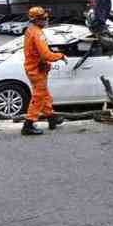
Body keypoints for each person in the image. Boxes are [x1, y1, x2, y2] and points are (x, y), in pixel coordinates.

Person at [21, 7, 68, 136]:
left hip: (36, 68)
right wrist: (60, 55)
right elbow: (46, 54)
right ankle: (28, 124)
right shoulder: (37, 33)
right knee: (38, 96)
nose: (46, 20)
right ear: (37, 20)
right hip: (36, 69)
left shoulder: (31, 31)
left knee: (44, 95)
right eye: (44, 18)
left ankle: (51, 117)